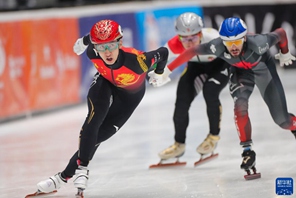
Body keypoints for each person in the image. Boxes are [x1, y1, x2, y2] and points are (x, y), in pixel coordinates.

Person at [31, 19, 169, 197]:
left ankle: (62, 177)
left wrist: (158, 73)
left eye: (111, 45)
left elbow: (163, 52)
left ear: (120, 42)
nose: (107, 52)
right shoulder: (92, 52)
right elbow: (92, 40)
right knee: (94, 117)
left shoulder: (138, 61)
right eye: (101, 47)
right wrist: (83, 41)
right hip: (106, 82)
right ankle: (82, 169)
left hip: (129, 97)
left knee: (100, 135)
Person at [149, 17, 296, 172]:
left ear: (245, 38)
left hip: (263, 70)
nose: (233, 47)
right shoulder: (216, 45)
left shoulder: (258, 43)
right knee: (240, 106)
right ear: (222, 41)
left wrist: (285, 52)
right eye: (228, 42)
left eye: (237, 41)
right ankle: (247, 152)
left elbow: (280, 33)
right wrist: (166, 71)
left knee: (282, 121)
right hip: (240, 73)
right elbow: (191, 52)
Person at [150, 12, 230, 165]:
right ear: (178, 37)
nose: (189, 43)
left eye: (193, 37)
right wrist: (155, 74)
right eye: (184, 39)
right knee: (181, 101)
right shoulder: (174, 44)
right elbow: (158, 60)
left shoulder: (213, 38)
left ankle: (213, 136)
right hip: (195, 68)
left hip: (219, 67)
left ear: (200, 33)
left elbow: (234, 54)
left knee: (210, 92)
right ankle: (178, 144)